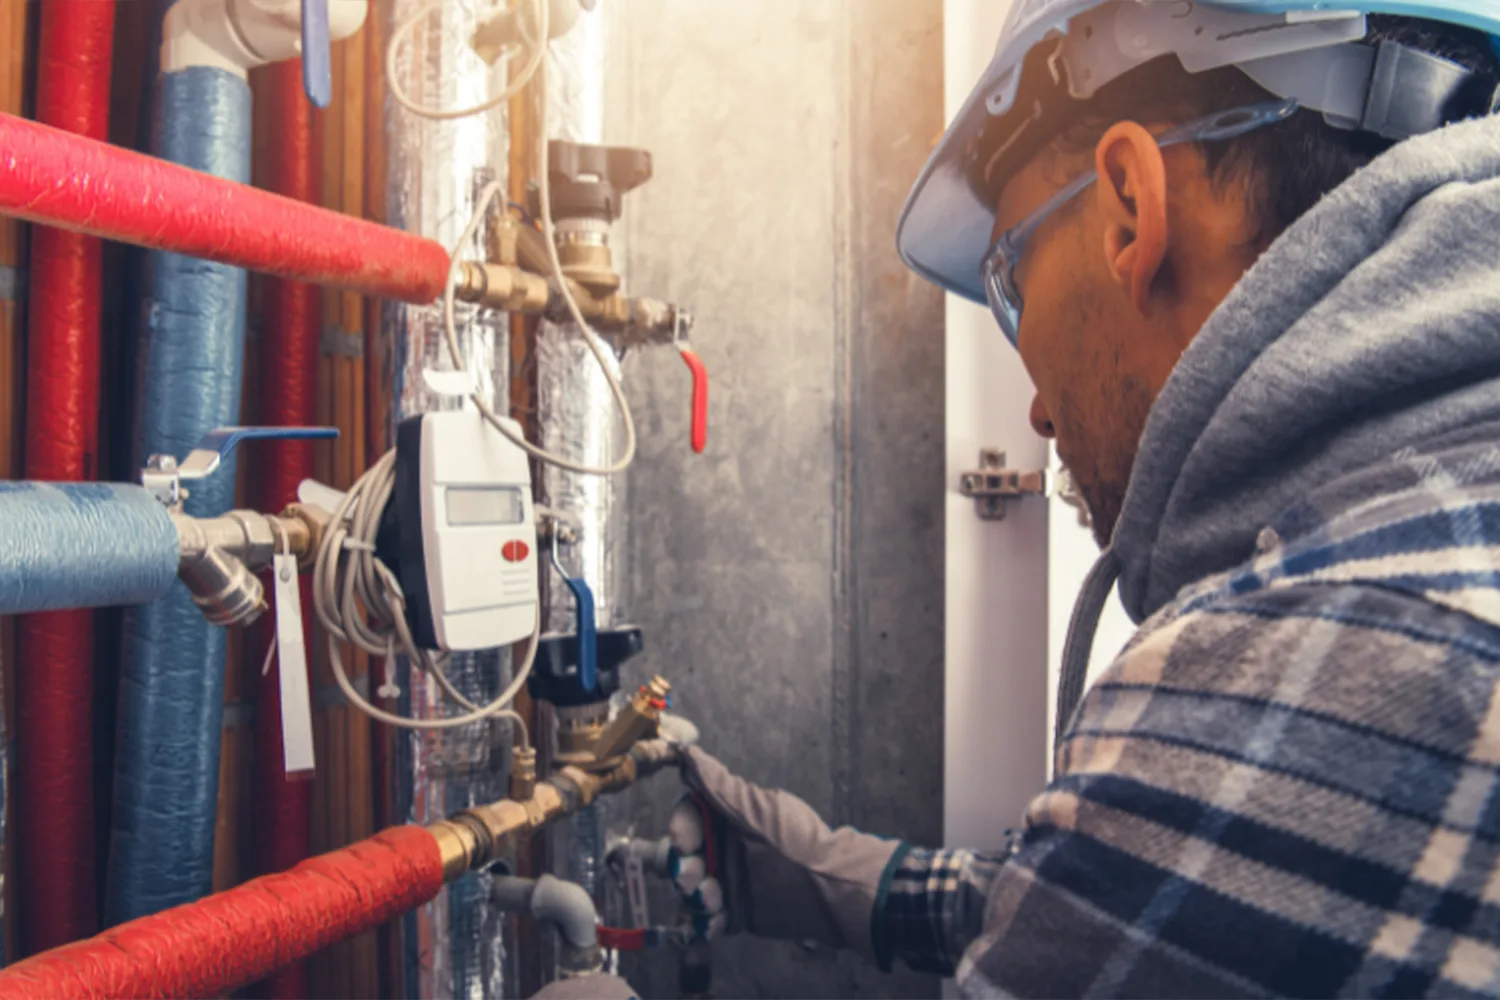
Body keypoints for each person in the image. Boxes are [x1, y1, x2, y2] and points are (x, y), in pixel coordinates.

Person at [541, 1, 1500, 996]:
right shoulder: (1425, 541)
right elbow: (1171, 905)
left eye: (1011, 276)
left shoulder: (1301, 661)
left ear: (1130, 205)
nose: (1038, 409)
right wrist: (833, 879)